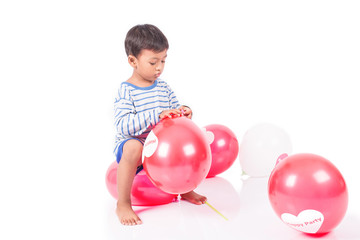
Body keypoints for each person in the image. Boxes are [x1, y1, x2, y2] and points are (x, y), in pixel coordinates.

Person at [114, 24, 207, 226]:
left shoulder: (163, 87)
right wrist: (156, 115)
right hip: (137, 148)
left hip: (162, 151)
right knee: (133, 146)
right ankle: (123, 203)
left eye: (163, 61)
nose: (159, 67)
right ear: (133, 61)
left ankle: (184, 188)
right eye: (153, 62)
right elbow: (123, 126)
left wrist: (183, 111)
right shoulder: (126, 90)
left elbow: (174, 112)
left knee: (180, 145)